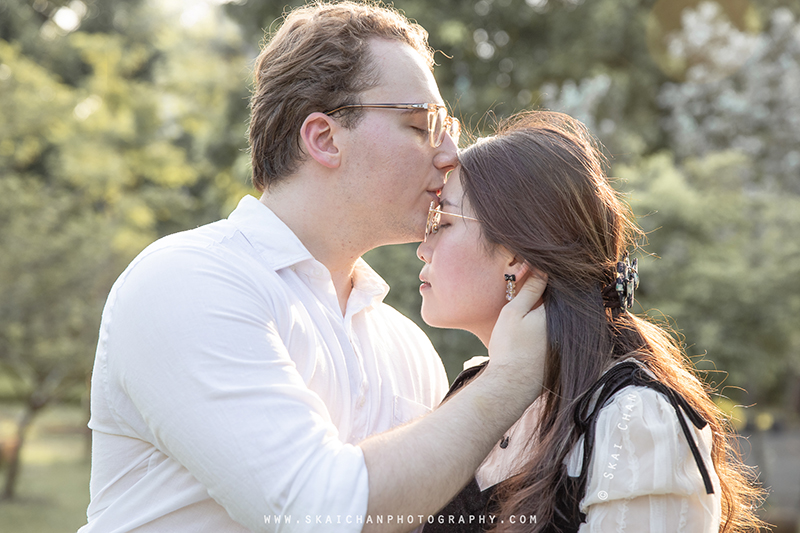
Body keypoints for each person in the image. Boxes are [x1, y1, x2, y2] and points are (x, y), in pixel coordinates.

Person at [79, 2, 548, 532]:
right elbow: (314, 512)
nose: (451, 155)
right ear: (324, 138)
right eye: (421, 125)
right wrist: (512, 377)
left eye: (448, 128)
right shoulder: (184, 283)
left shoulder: (408, 346)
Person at [416, 111, 766, 532]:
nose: (423, 247)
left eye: (442, 221)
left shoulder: (634, 419)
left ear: (515, 256)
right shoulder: (471, 390)